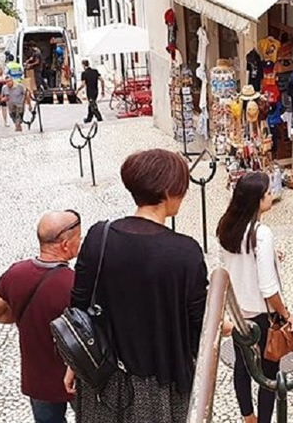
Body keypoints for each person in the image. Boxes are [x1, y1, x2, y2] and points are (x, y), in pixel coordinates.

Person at [67, 148, 207, 422]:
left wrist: (74, 362)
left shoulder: (99, 236)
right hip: (160, 386)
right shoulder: (185, 252)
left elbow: (78, 306)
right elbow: (198, 328)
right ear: (168, 192)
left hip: (102, 379)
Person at [0, 210, 82, 423]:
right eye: (79, 239)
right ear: (66, 245)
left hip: (38, 377)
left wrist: (21, 317)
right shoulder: (75, 285)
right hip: (76, 376)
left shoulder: (15, 274)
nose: (80, 243)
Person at [217, 172, 293, 423]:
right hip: (262, 316)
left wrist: (272, 255)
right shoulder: (261, 233)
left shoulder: (227, 228)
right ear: (257, 200)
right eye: (268, 192)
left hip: (239, 314)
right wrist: (285, 314)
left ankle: (247, 416)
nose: (272, 195)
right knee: (269, 373)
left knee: (243, 365)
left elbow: (228, 267)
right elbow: (268, 288)